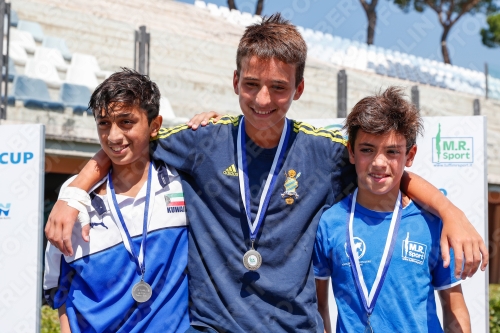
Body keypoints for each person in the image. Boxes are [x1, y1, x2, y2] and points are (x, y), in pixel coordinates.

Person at [45, 15, 486, 333]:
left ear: (298, 89)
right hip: (213, 326)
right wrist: (76, 190)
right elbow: (128, 140)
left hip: (293, 327)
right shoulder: (203, 140)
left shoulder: (322, 151)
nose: (262, 99)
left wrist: (451, 212)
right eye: (252, 84)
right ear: (235, 81)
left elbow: (382, 169)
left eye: (278, 87)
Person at [43, 69, 190, 332]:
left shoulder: (183, 182)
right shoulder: (74, 195)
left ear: (155, 125)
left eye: (126, 122)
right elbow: (60, 286)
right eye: (103, 123)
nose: (113, 137)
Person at [314, 87, 470, 332]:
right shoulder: (329, 223)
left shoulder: (431, 223)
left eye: (391, 152)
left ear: (409, 156)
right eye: (367, 149)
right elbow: (318, 308)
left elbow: (454, 309)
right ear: (351, 152)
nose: (378, 162)